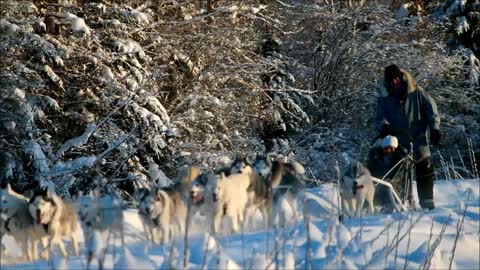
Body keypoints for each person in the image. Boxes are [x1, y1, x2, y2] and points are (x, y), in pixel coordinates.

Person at [375, 64, 440, 210]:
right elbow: (380, 117)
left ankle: (427, 202)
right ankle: (396, 202)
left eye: (396, 79)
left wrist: (434, 128)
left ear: (400, 77)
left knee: (425, 166)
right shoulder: (384, 98)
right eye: (391, 80)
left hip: (418, 136)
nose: (394, 83)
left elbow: (431, 109)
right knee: (396, 167)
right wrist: (384, 126)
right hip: (398, 139)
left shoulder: (416, 92)